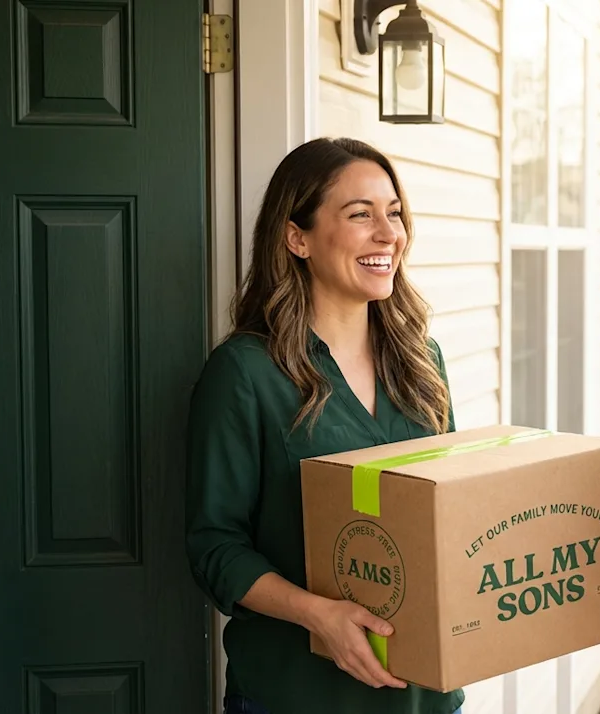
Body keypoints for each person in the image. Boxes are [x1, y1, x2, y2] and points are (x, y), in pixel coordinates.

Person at [186, 137, 465, 714]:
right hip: (296, 696)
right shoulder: (245, 373)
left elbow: (452, 513)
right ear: (298, 238)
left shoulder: (421, 362)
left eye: (394, 214)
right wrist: (320, 615)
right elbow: (216, 547)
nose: (388, 234)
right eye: (360, 215)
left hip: (425, 698)